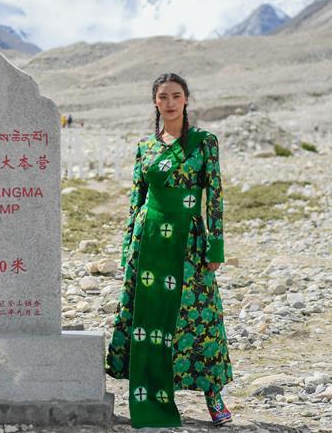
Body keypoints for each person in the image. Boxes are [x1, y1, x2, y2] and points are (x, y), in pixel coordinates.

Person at [105, 72, 233, 428]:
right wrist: (129, 245)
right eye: (164, 97)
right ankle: (147, 392)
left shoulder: (204, 143)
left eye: (176, 95)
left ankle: (213, 395)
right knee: (146, 318)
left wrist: (216, 245)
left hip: (189, 239)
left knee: (199, 315)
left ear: (187, 99)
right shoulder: (145, 148)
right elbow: (137, 198)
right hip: (149, 241)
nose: (171, 102)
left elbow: (216, 196)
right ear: (155, 102)